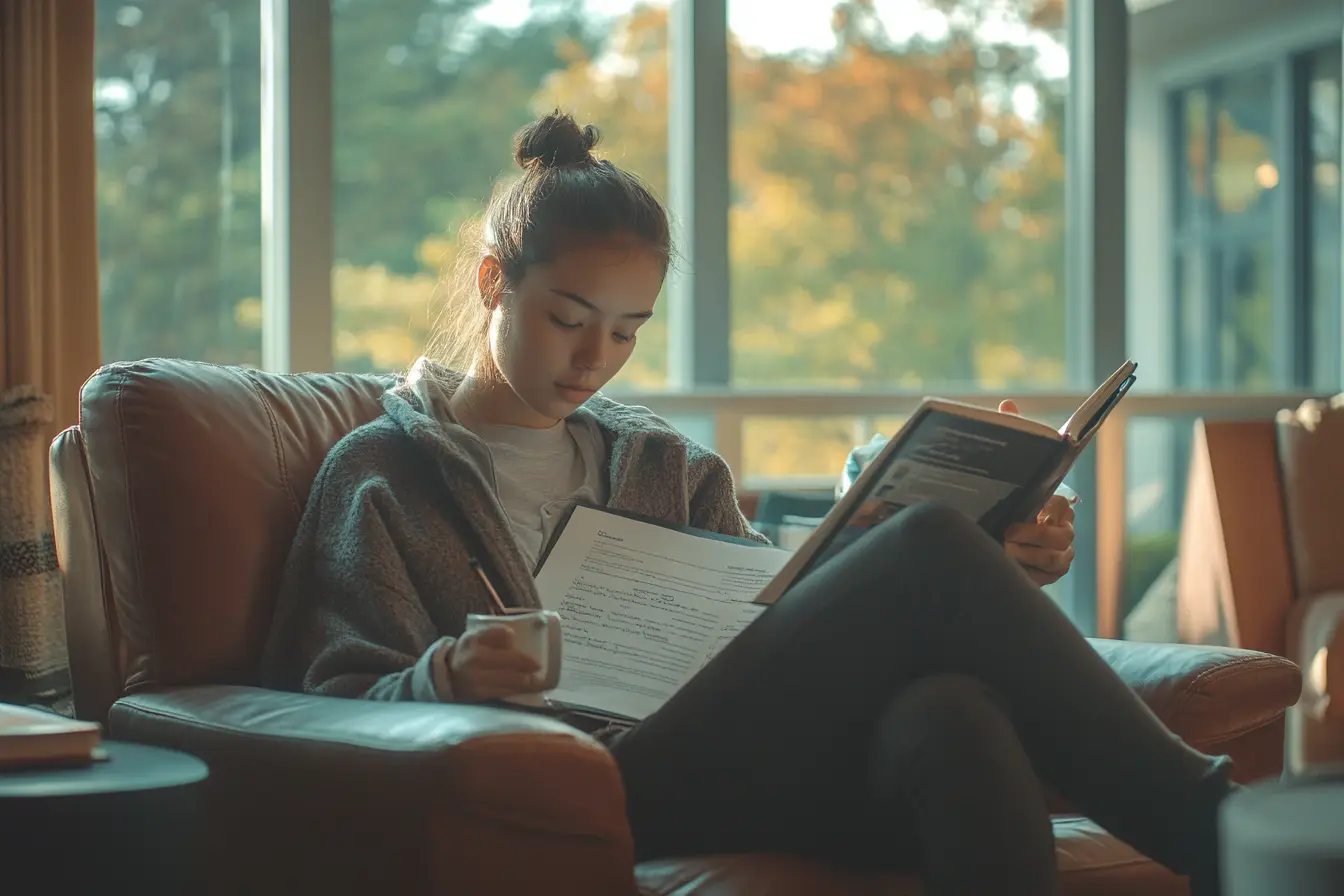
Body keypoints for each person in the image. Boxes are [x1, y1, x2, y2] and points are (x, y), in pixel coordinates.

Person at [260, 110, 1235, 896]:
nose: (593, 361)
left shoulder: (667, 464)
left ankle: (1210, 814)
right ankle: (1223, 827)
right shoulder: (383, 471)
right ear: (491, 283)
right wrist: (449, 672)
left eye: (628, 333)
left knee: (954, 711)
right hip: (595, 778)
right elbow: (324, 701)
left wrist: (994, 559)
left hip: (743, 759)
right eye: (568, 320)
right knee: (931, 545)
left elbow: (761, 620)